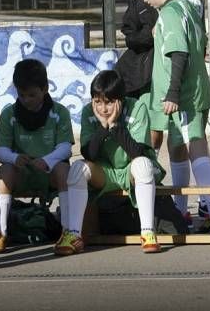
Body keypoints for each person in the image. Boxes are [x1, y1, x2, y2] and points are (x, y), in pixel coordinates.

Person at [115, 0, 202, 225]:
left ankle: (182, 206)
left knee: (180, 141)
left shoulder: (187, 4)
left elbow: (185, 47)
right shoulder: (145, 1)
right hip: (145, 80)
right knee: (149, 138)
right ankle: (146, 194)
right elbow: (130, 35)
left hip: (172, 85)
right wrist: (151, 35)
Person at [137, 0, 210, 233]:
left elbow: (179, 53)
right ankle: (181, 211)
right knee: (178, 148)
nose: (145, 0)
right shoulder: (187, 7)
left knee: (195, 146)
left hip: (183, 97)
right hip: (190, 93)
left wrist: (172, 93)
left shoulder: (171, 12)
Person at [69, 70, 165, 253]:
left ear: (121, 100)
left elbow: (137, 152)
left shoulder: (137, 108)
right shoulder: (88, 113)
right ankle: (73, 234)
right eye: (98, 102)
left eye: (109, 102)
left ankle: (147, 233)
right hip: (105, 173)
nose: (103, 109)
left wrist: (114, 126)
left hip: (131, 170)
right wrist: (103, 127)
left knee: (143, 165)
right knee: (77, 169)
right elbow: (89, 153)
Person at [0, 58, 77, 256]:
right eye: (21, 95)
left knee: (65, 169)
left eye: (32, 95)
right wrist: (14, 158)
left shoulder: (59, 112)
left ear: (45, 89)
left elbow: (65, 148)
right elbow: (0, 151)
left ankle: (68, 232)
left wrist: (47, 160)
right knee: (4, 171)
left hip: (49, 173)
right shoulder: (9, 114)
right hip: (22, 173)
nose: (27, 100)